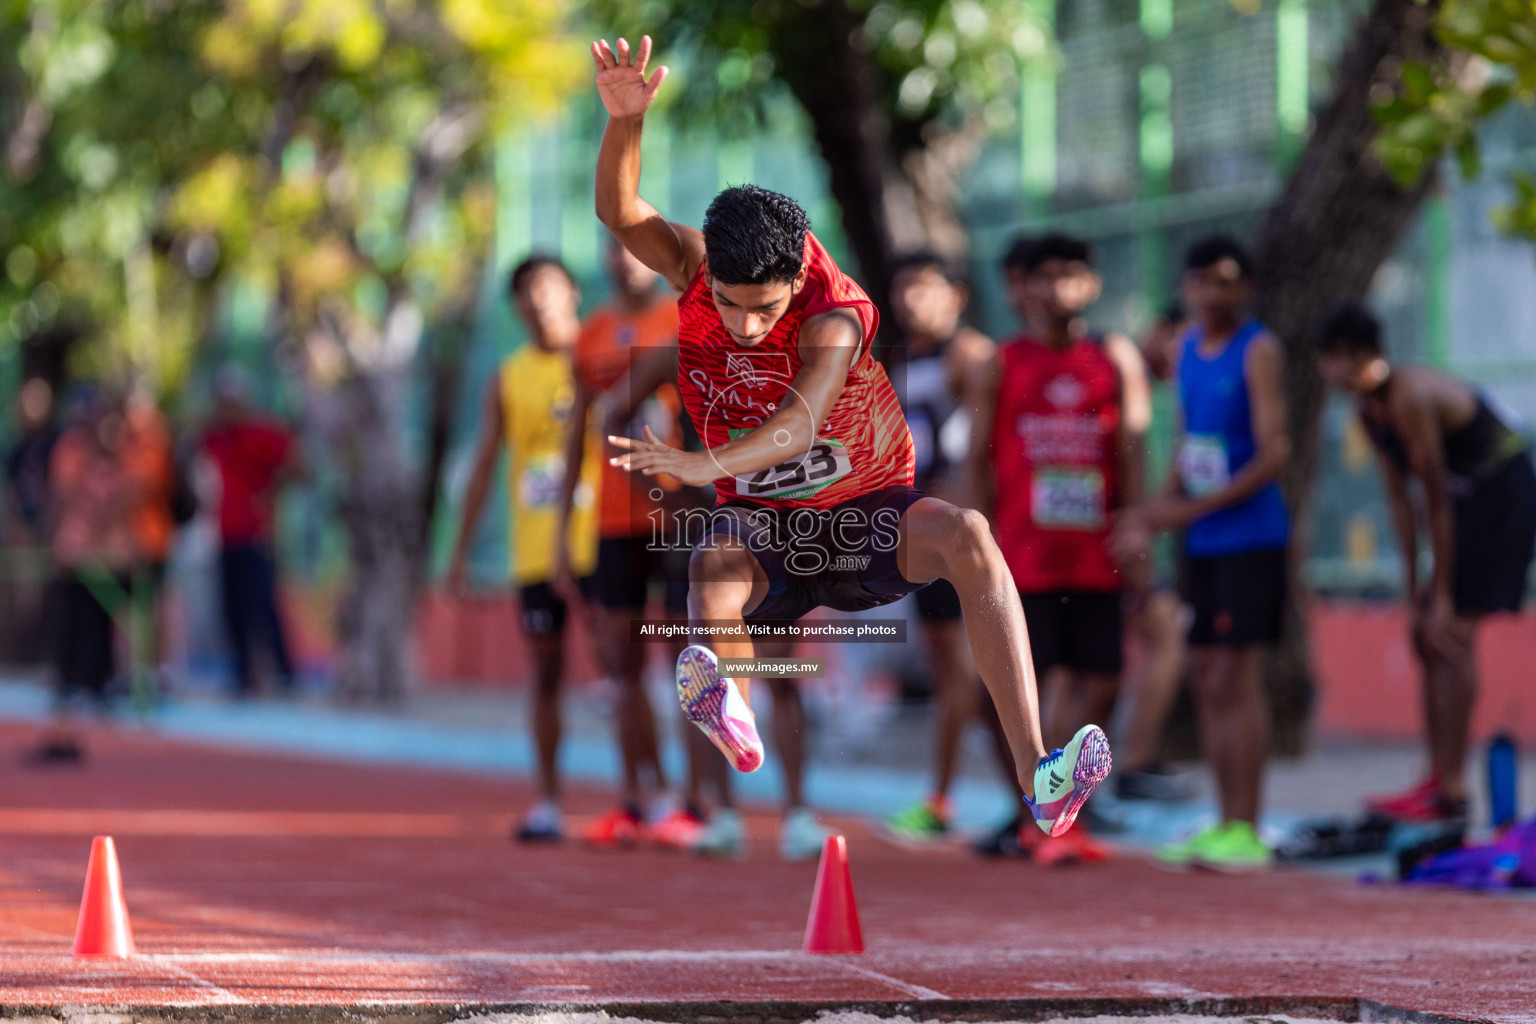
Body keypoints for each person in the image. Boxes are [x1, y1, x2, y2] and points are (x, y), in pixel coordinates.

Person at [589, 35, 1110, 845]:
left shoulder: (838, 312)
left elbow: (797, 422)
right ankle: (728, 700)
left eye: (765, 308)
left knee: (968, 534)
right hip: (765, 526)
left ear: (797, 278)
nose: (747, 326)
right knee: (714, 561)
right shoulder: (694, 266)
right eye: (729, 305)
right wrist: (625, 124)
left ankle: (1039, 774)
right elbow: (622, 213)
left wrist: (699, 460)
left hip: (862, 519)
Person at [1317, 301, 1536, 822]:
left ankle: (1453, 789)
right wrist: (1412, 590)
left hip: (1501, 495)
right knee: (1425, 634)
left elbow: (1435, 495)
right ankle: (1435, 777)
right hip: (1463, 503)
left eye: (1351, 360)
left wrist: (1440, 594)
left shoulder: (1409, 395)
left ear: (1376, 357)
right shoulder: (1365, 412)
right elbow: (1400, 499)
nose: (1340, 372)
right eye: (1331, 361)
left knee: (1452, 633)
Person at [1116, 235, 1291, 871]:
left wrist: (1182, 511)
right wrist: (1155, 516)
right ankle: (1223, 821)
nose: (1210, 294)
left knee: (1237, 678)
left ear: (1244, 286)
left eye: (1224, 281)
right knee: (1208, 677)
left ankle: (1247, 823)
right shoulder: (1187, 347)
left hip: (1251, 538)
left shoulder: (1259, 348)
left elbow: (1275, 452)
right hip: (1203, 540)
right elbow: (1191, 441)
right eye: (1199, 281)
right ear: (1186, 287)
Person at [969, 233, 1140, 864]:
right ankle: (1027, 811)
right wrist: (981, 542)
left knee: (1104, 681)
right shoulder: (1001, 362)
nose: (1056, 288)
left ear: (1090, 284)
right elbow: (979, 458)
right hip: (1024, 556)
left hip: (1097, 553)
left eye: (1070, 274)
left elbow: (1133, 447)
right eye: (1042, 276)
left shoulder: (1113, 358)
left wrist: (1136, 523)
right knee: (1013, 686)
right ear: (1024, 287)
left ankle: (1067, 810)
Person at [448, 254, 602, 843]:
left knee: (622, 667)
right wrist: (458, 553)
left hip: (599, 539)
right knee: (546, 674)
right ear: (515, 305)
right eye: (524, 290)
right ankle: (548, 801)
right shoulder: (508, 376)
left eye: (547, 285)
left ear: (571, 292)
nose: (537, 298)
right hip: (535, 549)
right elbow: (485, 464)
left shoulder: (598, 357)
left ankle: (646, 797)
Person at [552, 236, 690, 846]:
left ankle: (702, 803)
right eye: (611, 248)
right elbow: (577, 434)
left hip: (679, 516)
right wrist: (561, 530)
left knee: (692, 663)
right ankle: (642, 798)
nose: (622, 258)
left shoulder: (685, 320)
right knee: (623, 667)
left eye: (633, 248)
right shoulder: (591, 334)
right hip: (612, 524)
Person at [880, 251, 1009, 843]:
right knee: (951, 669)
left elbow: (987, 448)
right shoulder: (900, 361)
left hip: (965, 533)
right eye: (903, 288)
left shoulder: (972, 356)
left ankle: (1004, 792)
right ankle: (949, 796)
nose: (911, 300)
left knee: (979, 669)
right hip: (919, 532)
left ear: (955, 294)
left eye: (924, 288)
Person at [1115, 304, 1197, 803]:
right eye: (1182, 342)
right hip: (1115, 540)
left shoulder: (1170, 393)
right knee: (1162, 632)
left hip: (1131, 535)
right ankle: (1132, 763)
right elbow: (1131, 474)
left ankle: (1129, 762)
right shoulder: (1126, 379)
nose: (1186, 356)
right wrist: (1139, 549)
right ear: (1159, 332)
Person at [31, 390, 137, 763]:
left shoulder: (128, 458)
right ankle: (69, 686)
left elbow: (130, 498)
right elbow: (64, 495)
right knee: (70, 623)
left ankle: (100, 684)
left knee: (103, 624)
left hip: (114, 556)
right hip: (77, 551)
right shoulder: (73, 452)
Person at [201, 367, 301, 698]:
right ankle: (242, 672)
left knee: (262, 604)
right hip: (225, 535)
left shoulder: (259, 434)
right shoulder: (214, 438)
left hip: (256, 534)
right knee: (232, 606)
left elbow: (298, 464)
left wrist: (270, 494)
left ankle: (283, 672)